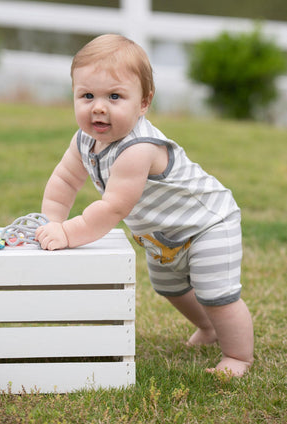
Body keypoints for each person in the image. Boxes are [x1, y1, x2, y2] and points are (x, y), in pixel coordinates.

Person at [35, 34, 254, 377]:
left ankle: (238, 356)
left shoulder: (138, 148)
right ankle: (209, 329)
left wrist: (67, 232)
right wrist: (48, 221)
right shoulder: (84, 140)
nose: (99, 107)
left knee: (217, 294)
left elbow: (112, 209)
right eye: (87, 95)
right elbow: (64, 181)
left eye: (115, 96)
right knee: (171, 287)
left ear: (143, 103)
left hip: (208, 223)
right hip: (163, 236)